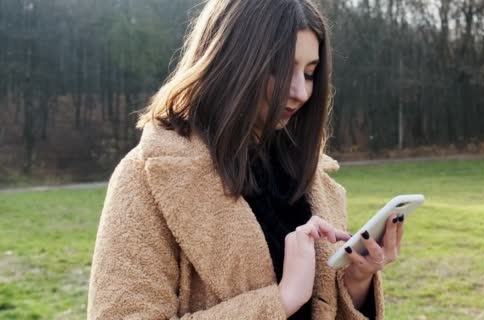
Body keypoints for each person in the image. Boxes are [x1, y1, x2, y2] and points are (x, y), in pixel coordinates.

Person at [86, 0, 407, 319]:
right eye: (281, 70)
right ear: (230, 59)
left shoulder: (309, 176)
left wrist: (356, 283)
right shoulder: (148, 176)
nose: (300, 91)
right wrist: (278, 302)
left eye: (310, 73)